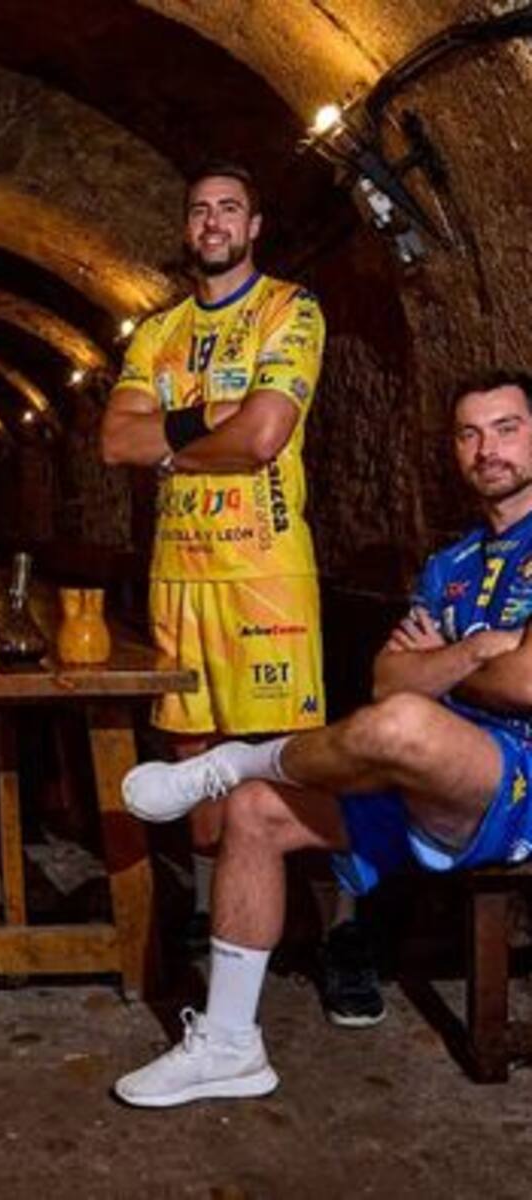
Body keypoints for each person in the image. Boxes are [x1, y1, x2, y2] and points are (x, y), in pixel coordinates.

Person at [114, 371, 532, 1107]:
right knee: (255, 810)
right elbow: (387, 678)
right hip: (422, 779)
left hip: (515, 782)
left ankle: (236, 757)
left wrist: (440, 668)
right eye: (468, 433)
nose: (485, 449)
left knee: (404, 725)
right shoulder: (452, 565)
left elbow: (525, 684)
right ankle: (229, 1044)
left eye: (506, 428)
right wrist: (475, 652)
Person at [98, 161, 377, 1023]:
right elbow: (115, 440)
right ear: (186, 228)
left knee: (293, 757)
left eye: (229, 209)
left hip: (264, 576)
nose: (213, 221)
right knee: (193, 759)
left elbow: (263, 436)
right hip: (179, 574)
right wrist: (204, 427)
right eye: (199, 209)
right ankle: (216, 914)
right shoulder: (158, 332)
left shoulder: (290, 310)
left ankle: (342, 930)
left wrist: (172, 441)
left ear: (254, 226)